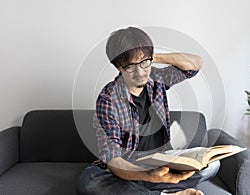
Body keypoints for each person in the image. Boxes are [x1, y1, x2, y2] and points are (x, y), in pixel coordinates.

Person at [76, 27, 220, 195]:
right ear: (118, 66)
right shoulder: (108, 99)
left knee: (212, 165)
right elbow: (113, 158)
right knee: (89, 181)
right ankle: (163, 192)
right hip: (129, 169)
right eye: (130, 65)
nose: (140, 72)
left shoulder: (156, 79)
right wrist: (149, 176)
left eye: (144, 63)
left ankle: (146, 189)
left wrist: (149, 56)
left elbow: (196, 64)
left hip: (162, 162)